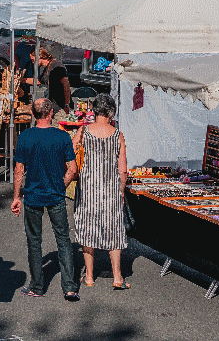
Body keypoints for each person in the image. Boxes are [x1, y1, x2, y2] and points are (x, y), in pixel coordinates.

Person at [11, 97, 80, 301]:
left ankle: (37, 286)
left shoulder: (25, 137)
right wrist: (61, 185)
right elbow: (72, 170)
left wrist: (16, 196)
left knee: (34, 241)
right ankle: (69, 287)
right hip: (55, 195)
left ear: (33, 114)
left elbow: (18, 170)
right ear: (51, 114)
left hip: (32, 195)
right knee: (63, 240)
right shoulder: (62, 137)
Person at [73, 92, 129, 289]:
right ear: (111, 112)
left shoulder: (82, 132)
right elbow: (122, 170)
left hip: (88, 188)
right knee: (114, 231)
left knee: (88, 229)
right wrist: (121, 191)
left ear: (94, 110)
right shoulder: (118, 135)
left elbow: (71, 160)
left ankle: (89, 276)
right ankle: (117, 277)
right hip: (111, 189)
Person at [26, 46, 71, 114]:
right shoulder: (47, 68)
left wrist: (67, 104)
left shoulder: (56, 65)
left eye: (33, 59)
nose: (32, 62)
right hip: (54, 107)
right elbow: (38, 81)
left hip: (61, 107)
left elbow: (66, 84)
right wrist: (22, 80)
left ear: (39, 57)